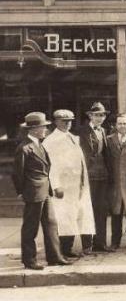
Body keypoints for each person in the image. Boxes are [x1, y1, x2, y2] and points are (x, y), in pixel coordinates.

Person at [12, 112, 72, 270]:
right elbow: (17, 173)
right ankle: (29, 260)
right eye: (43, 127)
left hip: (45, 190)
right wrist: (21, 192)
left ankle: (55, 257)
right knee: (30, 227)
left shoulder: (39, 144)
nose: (46, 129)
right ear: (33, 129)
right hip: (33, 192)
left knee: (51, 223)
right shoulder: (24, 148)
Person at [44, 109, 95, 258]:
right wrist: (56, 185)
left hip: (76, 185)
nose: (67, 124)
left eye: (70, 121)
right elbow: (50, 165)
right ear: (55, 122)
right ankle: (64, 249)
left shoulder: (72, 137)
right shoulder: (51, 141)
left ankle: (69, 247)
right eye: (63, 121)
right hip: (63, 186)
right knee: (63, 217)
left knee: (75, 215)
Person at [78, 102, 114, 253]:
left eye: (102, 115)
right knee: (87, 209)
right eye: (97, 115)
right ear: (90, 116)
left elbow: (106, 154)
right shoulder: (81, 131)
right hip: (88, 176)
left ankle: (100, 243)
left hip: (102, 176)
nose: (100, 118)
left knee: (101, 210)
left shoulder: (104, 131)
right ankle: (87, 245)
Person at [106, 113, 126, 250]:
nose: (122, 126)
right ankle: (115, 242)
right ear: (115, 125)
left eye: (125, 123)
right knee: (116, 213)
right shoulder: (109, 139)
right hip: (115, 182)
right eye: (120, 123)